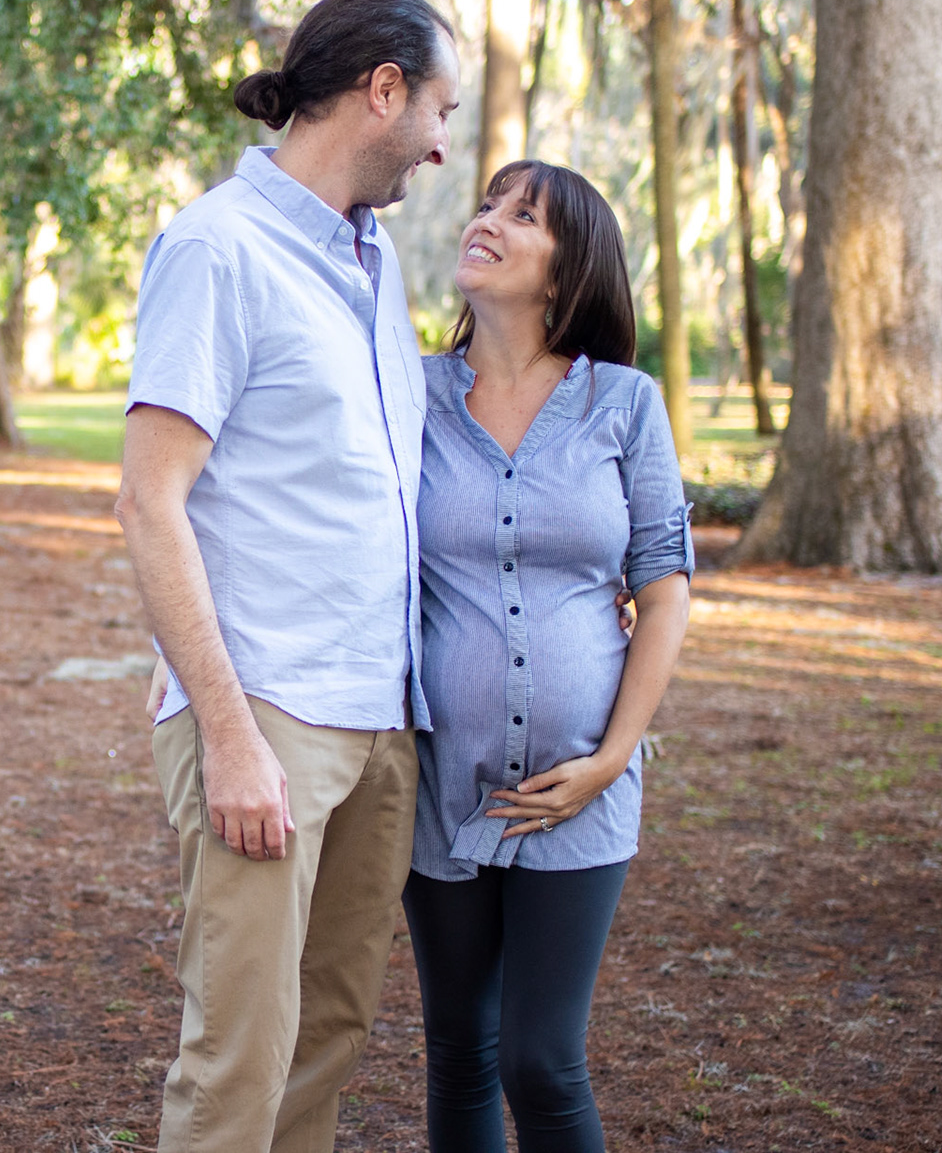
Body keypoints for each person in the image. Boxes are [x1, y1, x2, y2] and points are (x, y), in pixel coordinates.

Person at [115, 0, 459, 1153]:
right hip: (263, 714)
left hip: (379, 719)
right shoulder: (217, 247)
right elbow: (150, 498)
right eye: (440, 110)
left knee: (326, 1040)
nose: (443, 145)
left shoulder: (378, 263)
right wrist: (226, 732)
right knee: (240, 1062)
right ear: (383, 90)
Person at [403, 160, 692, 1152]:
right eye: (488, 204)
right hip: (443, 784)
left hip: (582, 787)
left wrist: (612, 758)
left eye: (522, 214)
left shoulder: (625, 404)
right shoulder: (412, 394)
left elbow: (665, 589)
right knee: (460, 1048)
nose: (487, 221)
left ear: (568, 268)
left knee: (542, 1059)